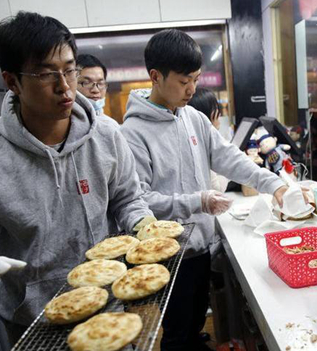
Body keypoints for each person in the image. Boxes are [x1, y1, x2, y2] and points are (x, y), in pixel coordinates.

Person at [0, 12, 154, 345]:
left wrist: (143, 225)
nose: (64, 86)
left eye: (69, 69)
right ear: (12, 81)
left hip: (106, 304)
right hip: (32, 319)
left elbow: (127, 197)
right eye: (46, 74)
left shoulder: (106, 135)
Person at [120, 29, 290, 351]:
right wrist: (196, 201)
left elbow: (230, 158)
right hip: (168, 256)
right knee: (177, 330)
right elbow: (138, 201)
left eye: (196, 80)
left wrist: (273, 184)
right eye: (184, 82)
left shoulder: (193, 118)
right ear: (156, 77)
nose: (192, 89)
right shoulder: (133, 134)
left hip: (200, 245)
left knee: (197, 320)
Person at [188, 87, 228, 192]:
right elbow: (216, 189)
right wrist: (229, 172)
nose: (219, 113)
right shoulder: (199, 147)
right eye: (214, 108)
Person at [76, 54, 113, 120]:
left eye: (100, 83)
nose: (95, 90)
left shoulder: (112, 126)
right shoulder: (63, 125)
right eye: (86, 83)